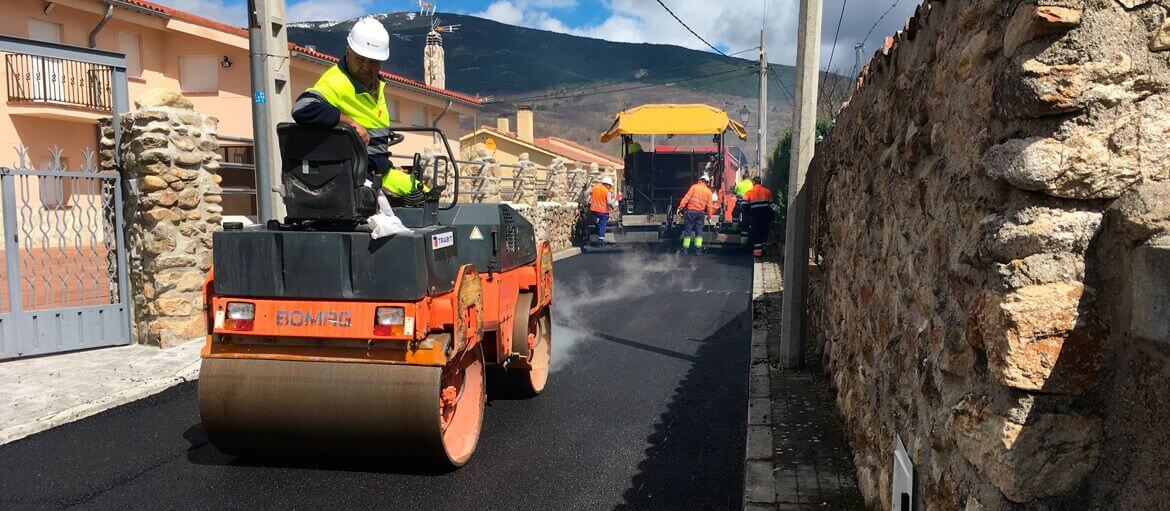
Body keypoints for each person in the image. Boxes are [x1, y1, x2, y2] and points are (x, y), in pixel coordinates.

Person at [292, 18, 425, 205]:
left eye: (373, 61)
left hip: (377, 167)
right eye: (360, 59)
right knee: (425, 196)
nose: (366, 67)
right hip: (361, 173)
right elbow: (302, 108)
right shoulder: (336, 82)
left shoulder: (373, 84)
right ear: (348, 51)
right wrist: (348, 122)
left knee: (424, 191)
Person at [676, 174, 713, 255]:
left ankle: (685, 249)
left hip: (691, 212)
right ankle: (698, 250)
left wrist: (680, 207)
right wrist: (709, 217)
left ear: (700, 180)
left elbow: (686, 198)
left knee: (688, 231)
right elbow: (710, 206)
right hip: (700, 214)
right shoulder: (708, 192)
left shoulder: (694, 187)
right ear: (707, 182)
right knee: (699, 231)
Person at [743, 177, 775, 257]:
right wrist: (771, 216)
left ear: (753, 182)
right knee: (764, 231)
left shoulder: (748, 193)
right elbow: (772, 205)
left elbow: (745, 206)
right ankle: (763, 248)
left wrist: (748, 215)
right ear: (760, 182)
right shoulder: (767, 191)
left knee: (756, 232)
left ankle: (757, 252)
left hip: (755, 215)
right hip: (765, 215)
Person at [589, 176, 617, 245]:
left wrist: (586, 202)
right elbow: (609, 202)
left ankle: (595, 229)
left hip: (593, 210)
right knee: (603, 225)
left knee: (595, 222)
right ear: (607, 184)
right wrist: (612, 207)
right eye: (610, 186)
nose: (610, 188)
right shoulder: (607, 192)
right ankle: (600, 241)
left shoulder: (594, 188)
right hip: (602, 211)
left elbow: (586, 194)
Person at [734, 173, 754, 245]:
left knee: (735, 214)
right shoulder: (751, 185)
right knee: (745, 220)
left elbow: (735, 191)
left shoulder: (739, 184)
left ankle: (735, 228)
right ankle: (744, 240)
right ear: (748, 178)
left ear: (743, 178)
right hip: (748, 204)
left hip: (739, 203)